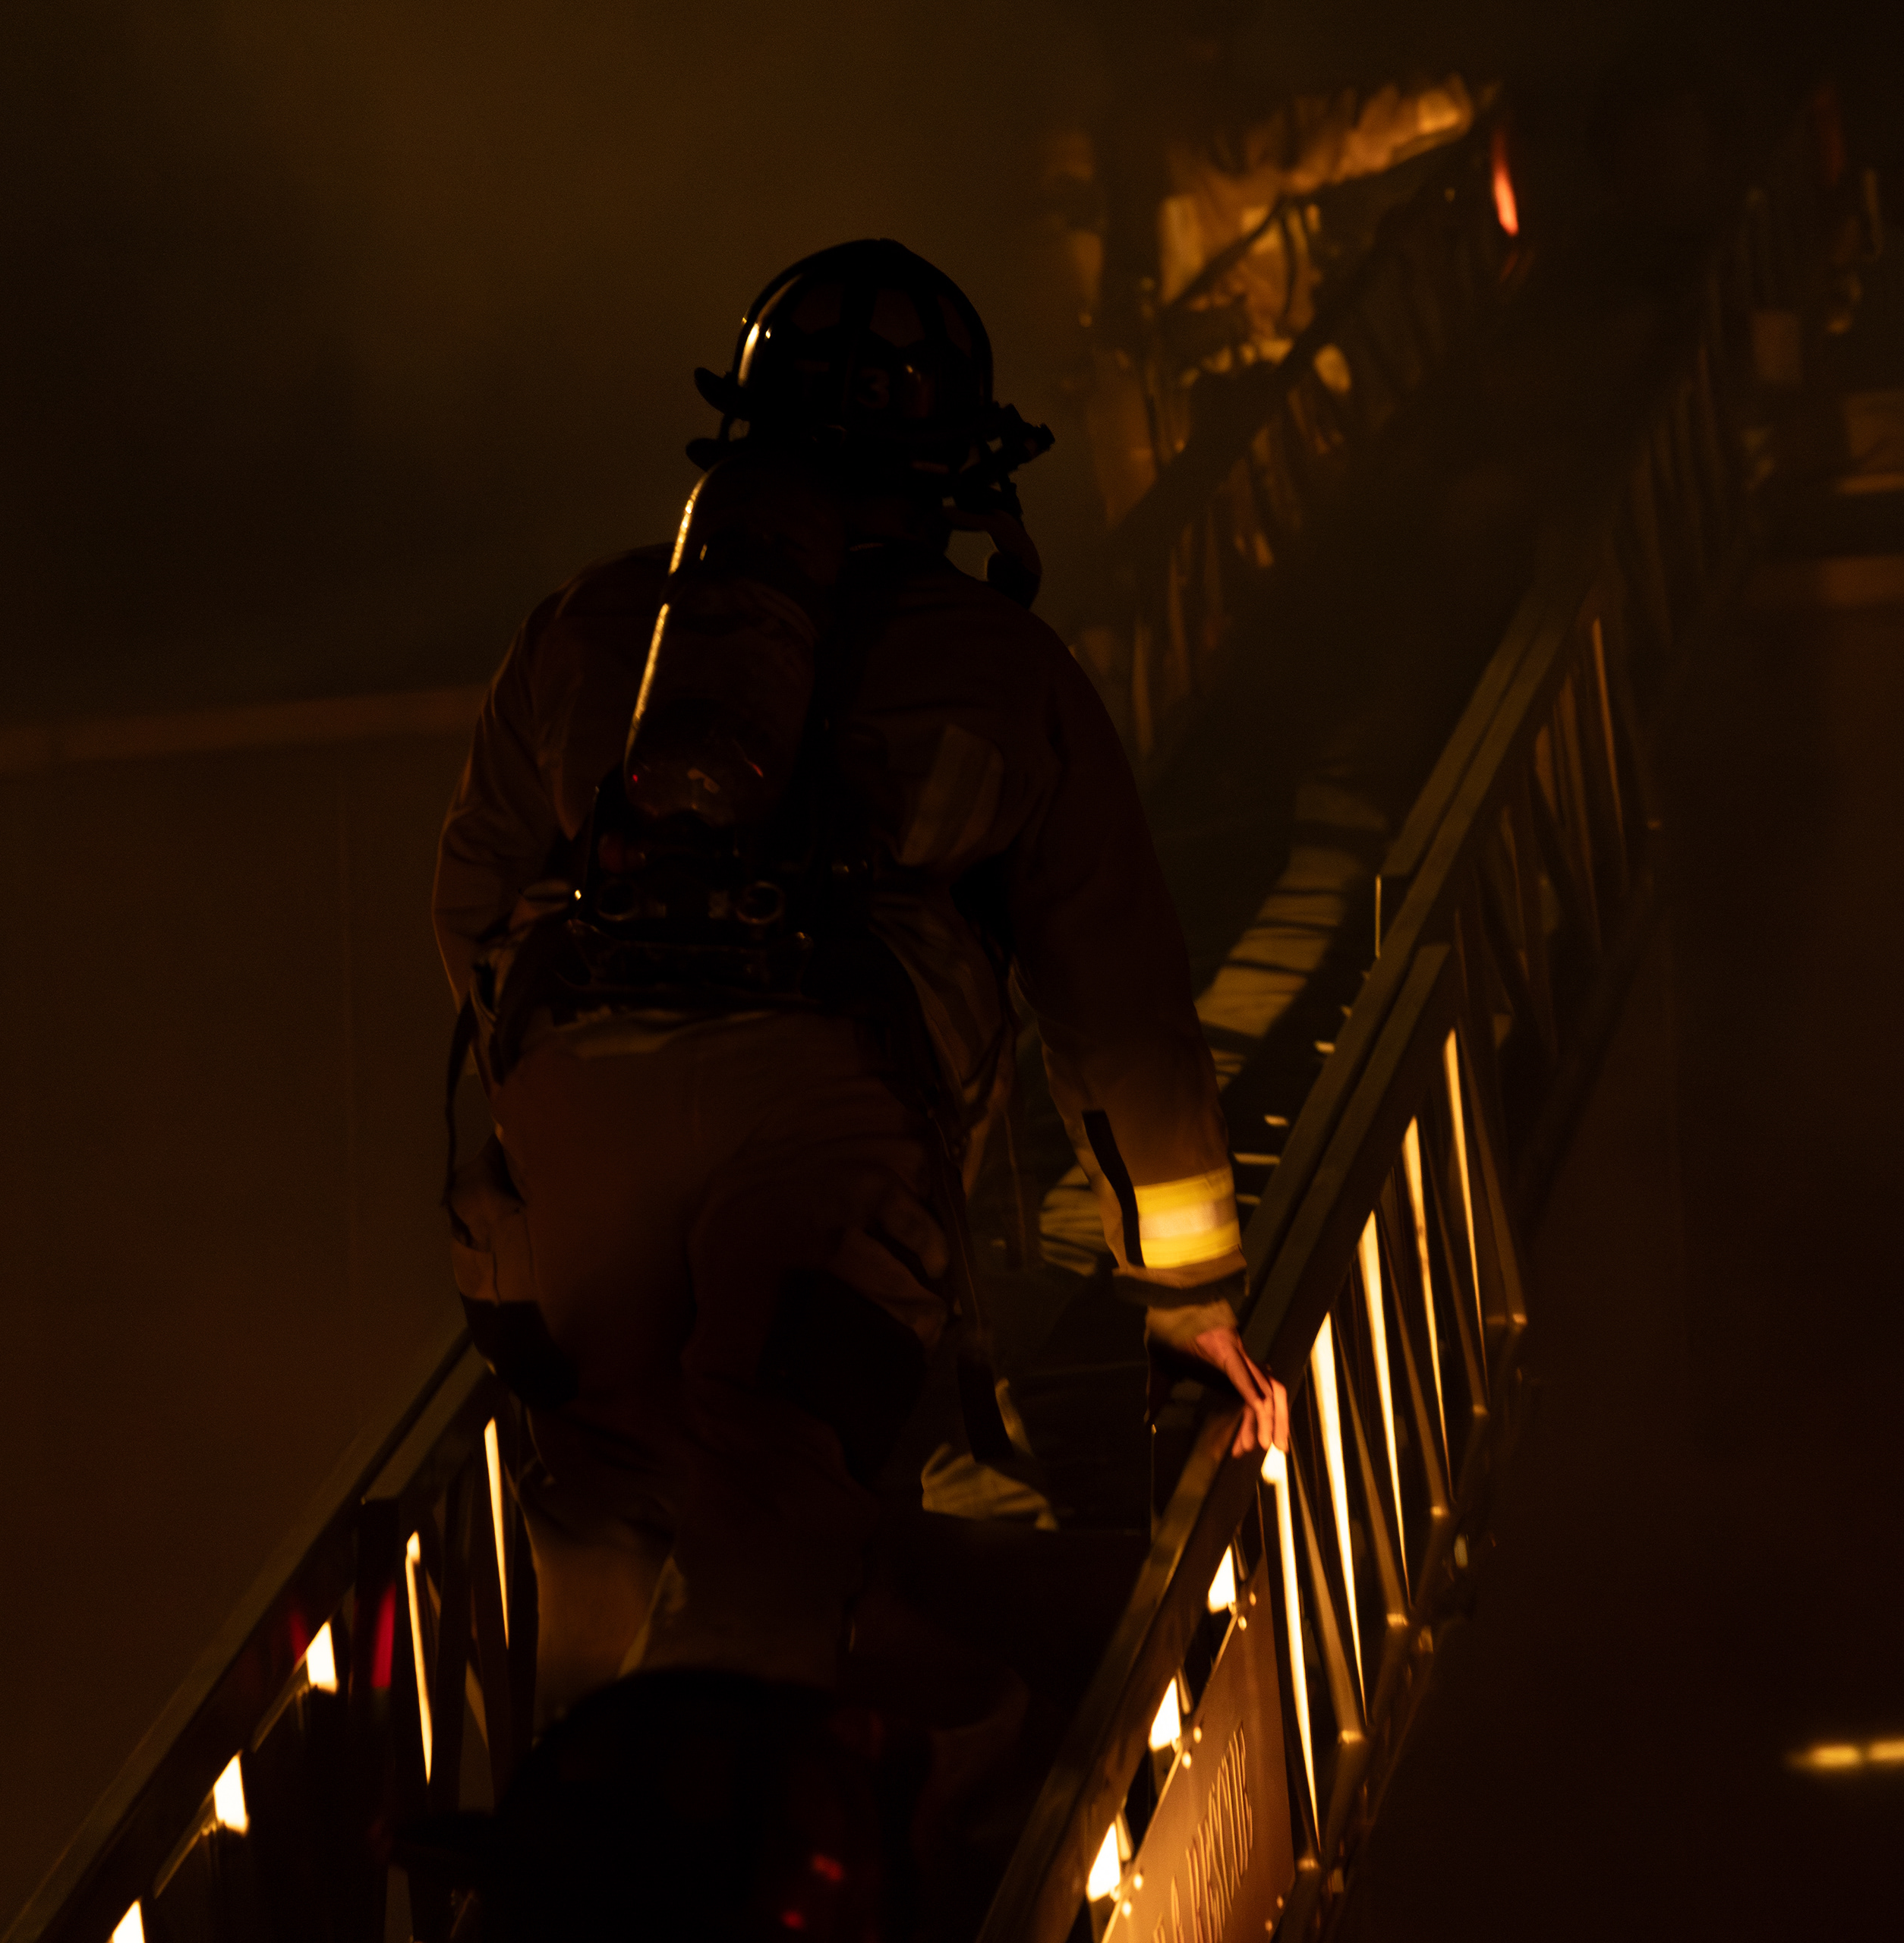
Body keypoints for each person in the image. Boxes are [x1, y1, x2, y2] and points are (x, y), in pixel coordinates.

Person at [431, 239, 1291, 1726]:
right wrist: (1189, 1293)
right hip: (827, 1124)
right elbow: (1123, 1014)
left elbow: (467, 900)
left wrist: (570, 1099)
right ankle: (723, 1840)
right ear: (959, 464)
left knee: (610, 1489)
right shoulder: (1004, 670)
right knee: (774, 1501)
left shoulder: (584, 627)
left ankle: (572, 1838)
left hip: (568, 1105)